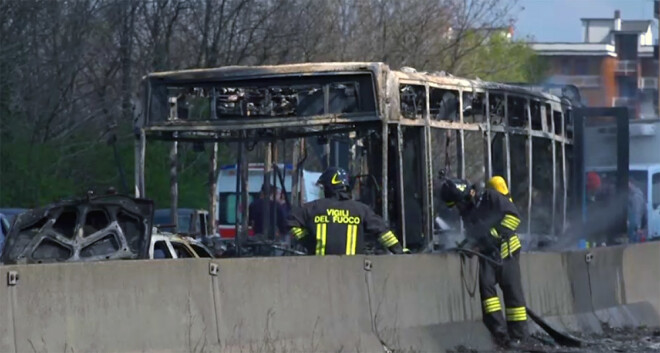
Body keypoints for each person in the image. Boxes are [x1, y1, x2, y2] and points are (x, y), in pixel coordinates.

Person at [440, 175, 528, 348]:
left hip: (506, 250)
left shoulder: (491, 197)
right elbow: (474, 232)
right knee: (487, 291)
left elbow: (514, 218)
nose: (458, 209)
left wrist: (493, 234)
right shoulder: (468, 211)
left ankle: (519, 336)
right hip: (488, 254)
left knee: (512, 292)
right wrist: (468, 246)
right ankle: (500, 334)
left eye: (458, 204)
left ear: (466, 196)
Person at [287, 167, 404, 255]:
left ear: (328, 186)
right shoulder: (361, 210)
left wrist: (308, 241)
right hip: (353, 271)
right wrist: (399, 251)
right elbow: (383, 232)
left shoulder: (313, 208)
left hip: (320, 269)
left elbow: (291, 221)